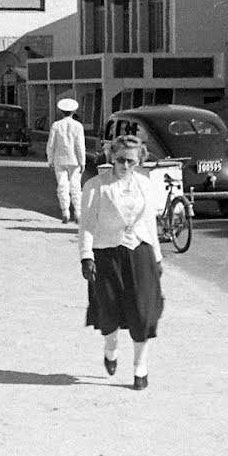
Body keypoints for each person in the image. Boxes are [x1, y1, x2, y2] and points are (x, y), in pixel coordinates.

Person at [78, 133, 164, 391]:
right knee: (109, 310)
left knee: (143, 311)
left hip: (140, 252)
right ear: (112, 158)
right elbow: (87, 224)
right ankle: (111, 347)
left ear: (139, 161)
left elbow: (150, 223)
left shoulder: (145, 185)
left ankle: (140, 368)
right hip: (107, 253)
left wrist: (157, 257)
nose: (125, 166)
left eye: (131, 162)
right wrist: (86, 256)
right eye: (121, 160)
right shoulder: (96, 186)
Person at [46, 97, 86, 223]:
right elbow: (80, 145)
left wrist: (50, 159)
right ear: (74, 112)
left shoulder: (56, 125)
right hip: (74, 160)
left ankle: (65, 212)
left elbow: (51, 144)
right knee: (76, 187)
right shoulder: (78, 126)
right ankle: (78, 213)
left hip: (60, 159)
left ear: (61, 111)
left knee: (62, 186)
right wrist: (82, 161)